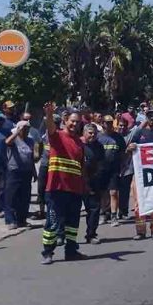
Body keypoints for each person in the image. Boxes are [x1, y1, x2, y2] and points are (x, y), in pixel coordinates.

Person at [41, 102, 86, 264]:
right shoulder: (57, 136)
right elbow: (50, 127)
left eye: (78, 122)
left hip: (74, 190)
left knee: (72, 225)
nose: (75, 124)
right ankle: (47, 252)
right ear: (66, 120)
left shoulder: (79, 142)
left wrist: (84, 187)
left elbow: (81, 167)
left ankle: (71, 251)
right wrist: (49, 115)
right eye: (72, 121)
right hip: (56, 189)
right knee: (53, 223)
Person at [127, 109, 153, 239]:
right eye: (149, 116)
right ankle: (140, 231)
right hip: (139, 174)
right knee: (138, 203)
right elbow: (127, 148)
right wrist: (130, 148)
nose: (151, 118)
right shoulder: (139, 132)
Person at [3, 120, 37, 229]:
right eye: (24, 129)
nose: (26, 131)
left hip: (26, 172)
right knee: (11, 197)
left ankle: (22, 220)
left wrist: (34, 172)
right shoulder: (14, 139)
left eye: (28, 129)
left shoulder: (30, 141)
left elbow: (32, 158)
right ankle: (10, 220)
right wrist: (17, 132)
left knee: (24, 197)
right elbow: (7, 142)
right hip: (14, 171)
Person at [80, 124, 106, 245]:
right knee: (71, 210)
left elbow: (101, 164)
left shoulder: (99, 146)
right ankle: (63, 236)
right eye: (90, 133)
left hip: (93, 182)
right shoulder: (78, 144)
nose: (92, 135)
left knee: (94, 209)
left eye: (94, 133)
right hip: (77, 181)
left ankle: (91, 234)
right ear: (84, 133)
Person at [98, 115, 126, 227]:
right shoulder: (98, 137)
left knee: (113, 192)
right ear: (102, 124)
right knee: (103, 193)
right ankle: (104, 213)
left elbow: (124, 153)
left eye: (110, 123)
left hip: (114, 169)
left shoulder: (118, 138)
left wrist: (123, 166)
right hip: (101, 170)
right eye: (106, 123)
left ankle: (114, 216)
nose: (108, 125)